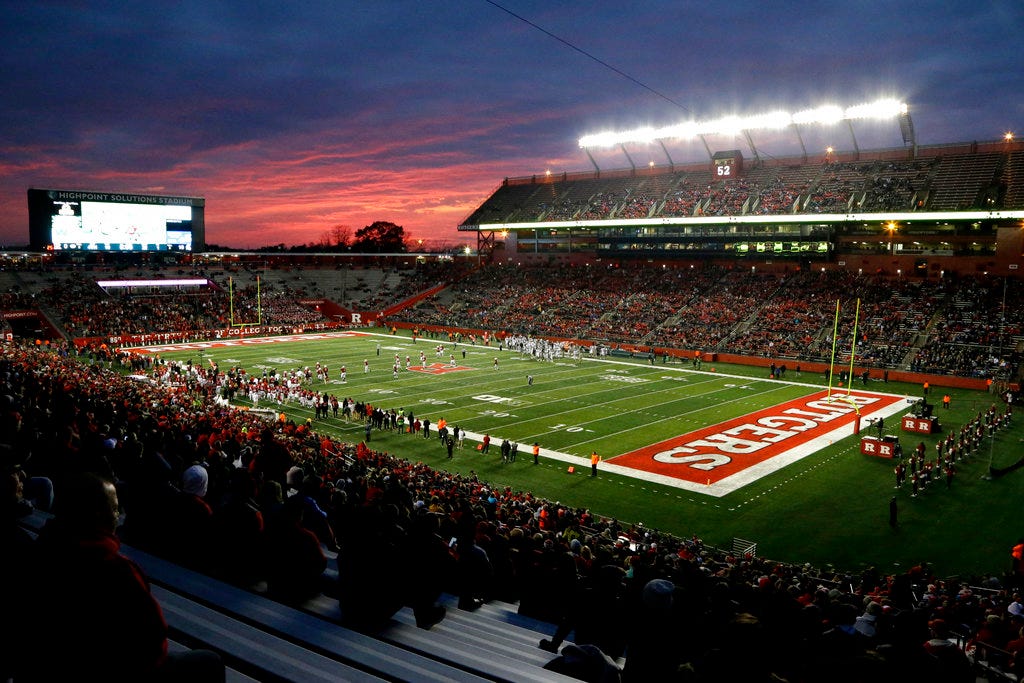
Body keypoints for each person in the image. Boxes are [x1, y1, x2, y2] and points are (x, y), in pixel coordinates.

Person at [17, 472, 224, 682]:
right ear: (100, 515)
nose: (118, 515)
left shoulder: (40, 548)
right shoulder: (118, 570)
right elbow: (154, 643)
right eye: (115, 509)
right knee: (209, 661)